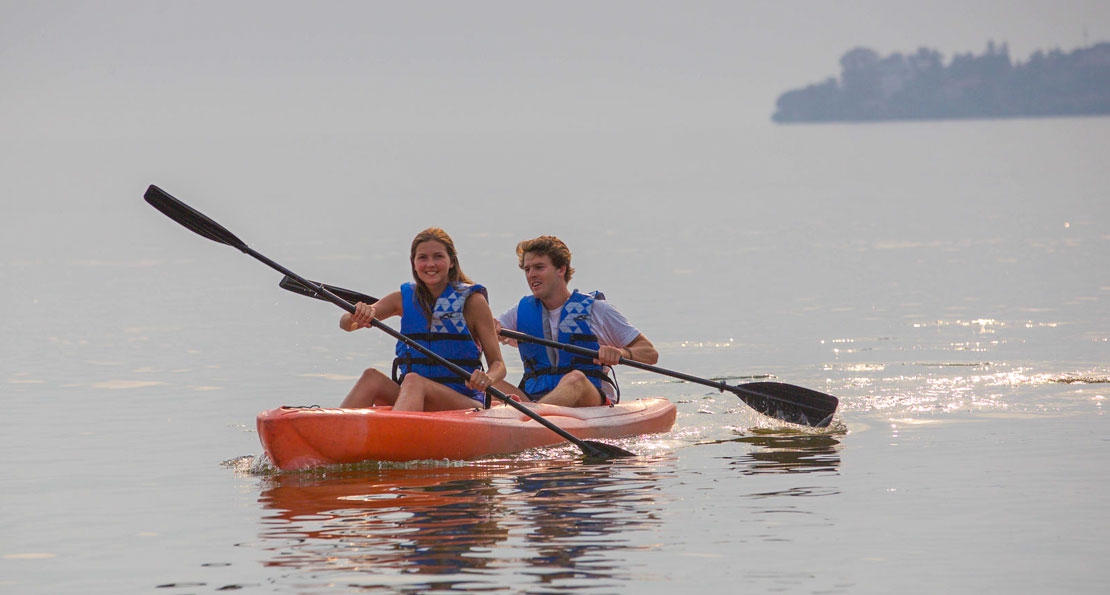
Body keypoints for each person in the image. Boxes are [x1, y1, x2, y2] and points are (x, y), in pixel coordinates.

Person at [339, 228, 506, 412]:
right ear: (414, 263)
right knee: (371, 377)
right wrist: (356, 314)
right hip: (413, 395)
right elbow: (347, 325)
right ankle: (332, 433)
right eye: (423, 258)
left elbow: (498, 365)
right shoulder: (403, 299)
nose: (430, 264)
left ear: (451, 262)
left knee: (413, 381)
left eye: (438, 256)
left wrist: (488, 378)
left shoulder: (473, 302)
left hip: (463, 402)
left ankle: (395, 435)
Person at [493, 235, 658, 407]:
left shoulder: (597, 310)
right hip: (533, 399)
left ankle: (533, 420)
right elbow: (487, 330)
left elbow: (650, 353)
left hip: (587, 400)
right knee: (486, 379)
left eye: (539, 267)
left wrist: (621, 353)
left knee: (575, 379)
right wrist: (488, 326)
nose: (531, 275)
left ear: (561, 269)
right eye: (527, 270)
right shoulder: (519, 312)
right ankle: (532, 417)